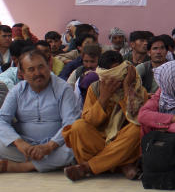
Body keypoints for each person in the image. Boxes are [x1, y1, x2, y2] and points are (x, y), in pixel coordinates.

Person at [0, 49, 80, 174]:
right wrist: (20, 143)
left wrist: (49, 146)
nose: (38, 73)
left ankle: (24, 166)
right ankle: (49, 164)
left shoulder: (63, 88)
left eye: (41, 67)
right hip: (27, 145)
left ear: (49, 67)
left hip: (56, 145)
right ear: (22, 74)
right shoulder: (17, 90)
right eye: (31, 69)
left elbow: (71, 122)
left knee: (74, 146)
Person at [62, 51, 147, 181]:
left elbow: (137, 118)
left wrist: (126, 89)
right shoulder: (95, 89)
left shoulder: (137, 88)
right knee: (78, 126)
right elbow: (90, 121)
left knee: (136, 129)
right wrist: (103, 98)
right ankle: (121, 164)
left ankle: (87, 167)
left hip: (123, 141)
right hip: (101, 139)